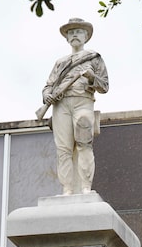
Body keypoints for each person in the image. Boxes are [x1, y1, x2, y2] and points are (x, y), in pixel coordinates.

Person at [42, 18, 109, 195]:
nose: (74, 35)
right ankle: (68, 188)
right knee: (63, 148)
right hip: (61, 105)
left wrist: (91, 77)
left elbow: (105, 86)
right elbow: (48, 86)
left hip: (83, 101)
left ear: (86, 36)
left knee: (84, 141)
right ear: (67, 38)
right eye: (71, 33)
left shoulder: (94, 58)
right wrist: (47, 95)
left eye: (78, 32)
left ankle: (86, 186)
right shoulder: (60, 62)